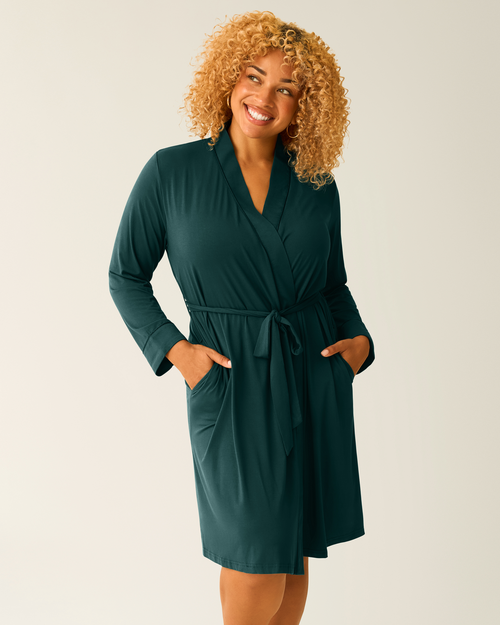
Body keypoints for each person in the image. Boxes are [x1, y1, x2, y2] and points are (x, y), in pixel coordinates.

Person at [108, 10, 375, 625]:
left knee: (291, 558)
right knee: (254, 557)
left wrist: (359, 343)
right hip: (230, 379)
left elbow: (332, 284)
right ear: (228, 77)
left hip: (310, 372)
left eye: (287, 88)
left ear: (305, 105)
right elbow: (125, 275)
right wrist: (179, 353)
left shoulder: (315, 184)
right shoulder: (172, 172)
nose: (265, 98)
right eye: (254, 76)